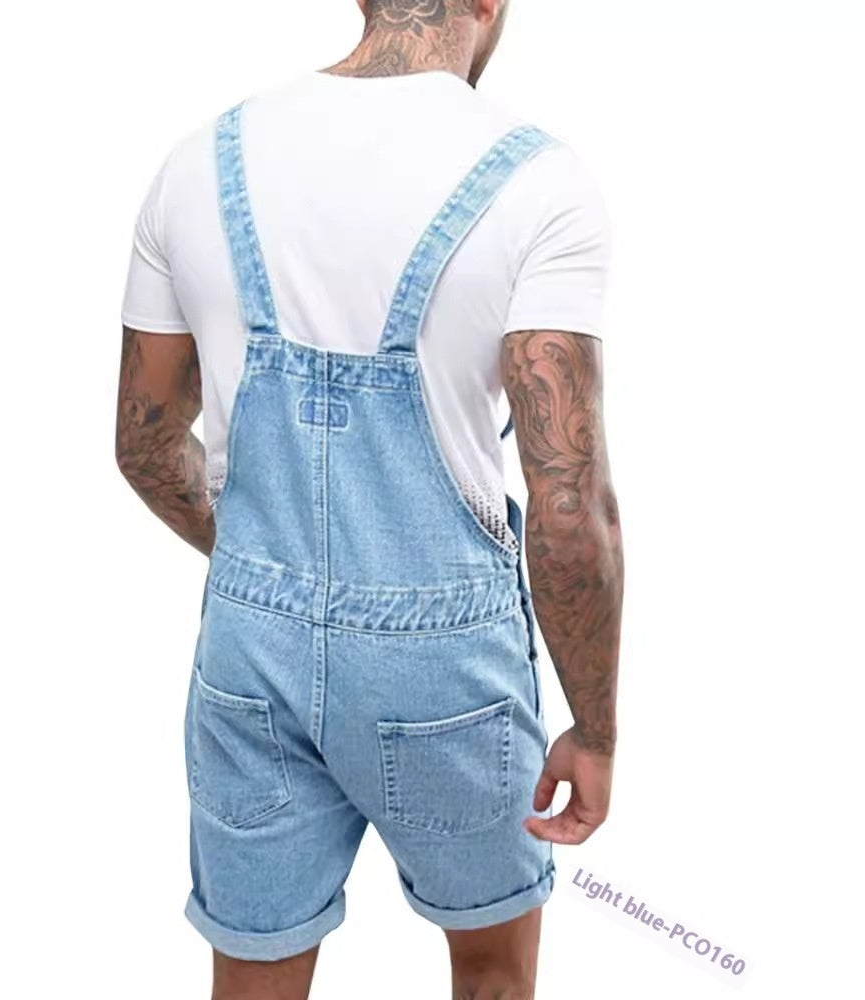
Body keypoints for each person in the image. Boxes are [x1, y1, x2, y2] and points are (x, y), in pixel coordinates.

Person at [115, 1, 624, 996]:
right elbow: (570, 505)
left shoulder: (196, 162)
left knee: (252, 978)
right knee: (491, 972)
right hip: (446, 668)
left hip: (248, 654)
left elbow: (143, 443)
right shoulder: (538, 181)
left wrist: (265, 568)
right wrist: (594, 729)